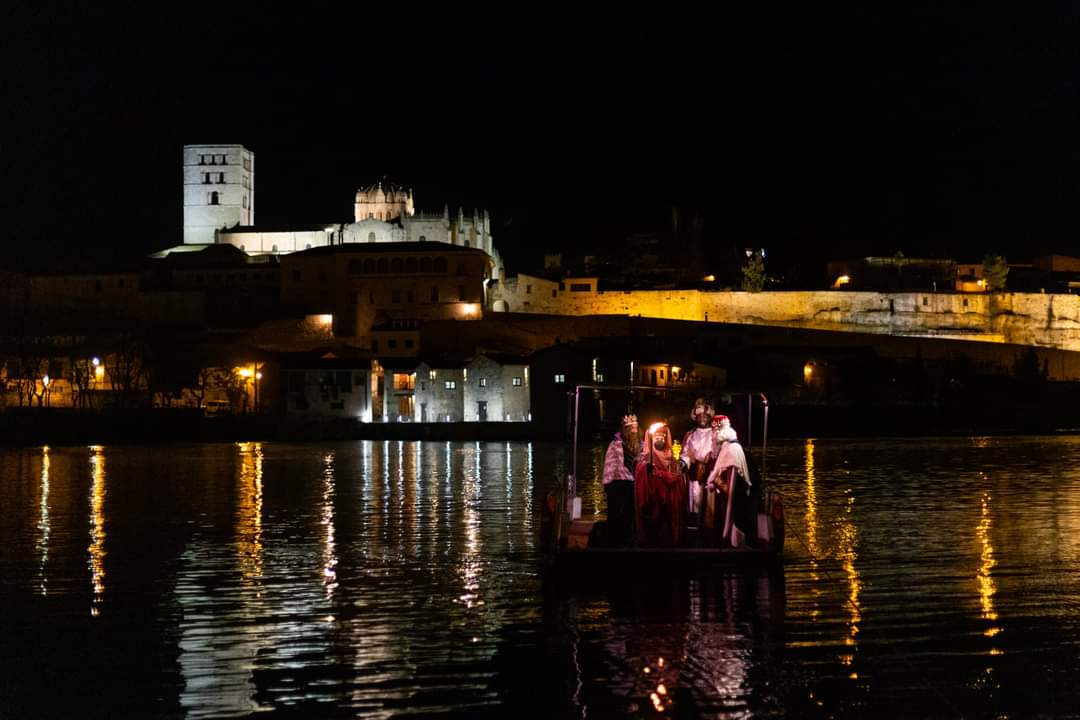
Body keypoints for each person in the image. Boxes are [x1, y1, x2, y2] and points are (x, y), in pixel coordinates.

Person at [635, 422, 686, 547]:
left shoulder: (672, 458)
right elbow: (639, 475)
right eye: (657, 437)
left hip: (669, 503)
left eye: (662, 437)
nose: (660, 439)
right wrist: (648, 470)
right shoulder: (645, 458)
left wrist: (669, 475)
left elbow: (678, 478)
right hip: (653, 502)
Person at [680, 398, 722, 542]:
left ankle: (710, 536)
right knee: (694, 506)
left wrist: (706, 464)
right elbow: (686, 453)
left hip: (710, 478)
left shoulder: (716, 434)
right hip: (694, 479)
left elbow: (718, 455)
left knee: (709, 510)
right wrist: (683, 463)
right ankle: (694, 534)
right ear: (695, 417)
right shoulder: (690, 435)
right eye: (699, 416)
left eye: (705, 415)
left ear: (709, 416)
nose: (702, 418)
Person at [706, 418, 754, 547]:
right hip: (733, 495)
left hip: (734, 499)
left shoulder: (731, 449)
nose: (713, 438)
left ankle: (730, 539)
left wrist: (715, 480)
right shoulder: (729, 447)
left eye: (714, 432)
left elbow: (730, 485)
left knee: (732, 514)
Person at [602, 414, 640, 547]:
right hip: (619, 485)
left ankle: (630, 539)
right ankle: (616, 542)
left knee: (631, 516)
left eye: (635, 428)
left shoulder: (641, 445)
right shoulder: (616, 445)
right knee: (618, 515)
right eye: (631, 429)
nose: (634, 431)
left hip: (635, 486)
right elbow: (609, 466)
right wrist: (607, 485)